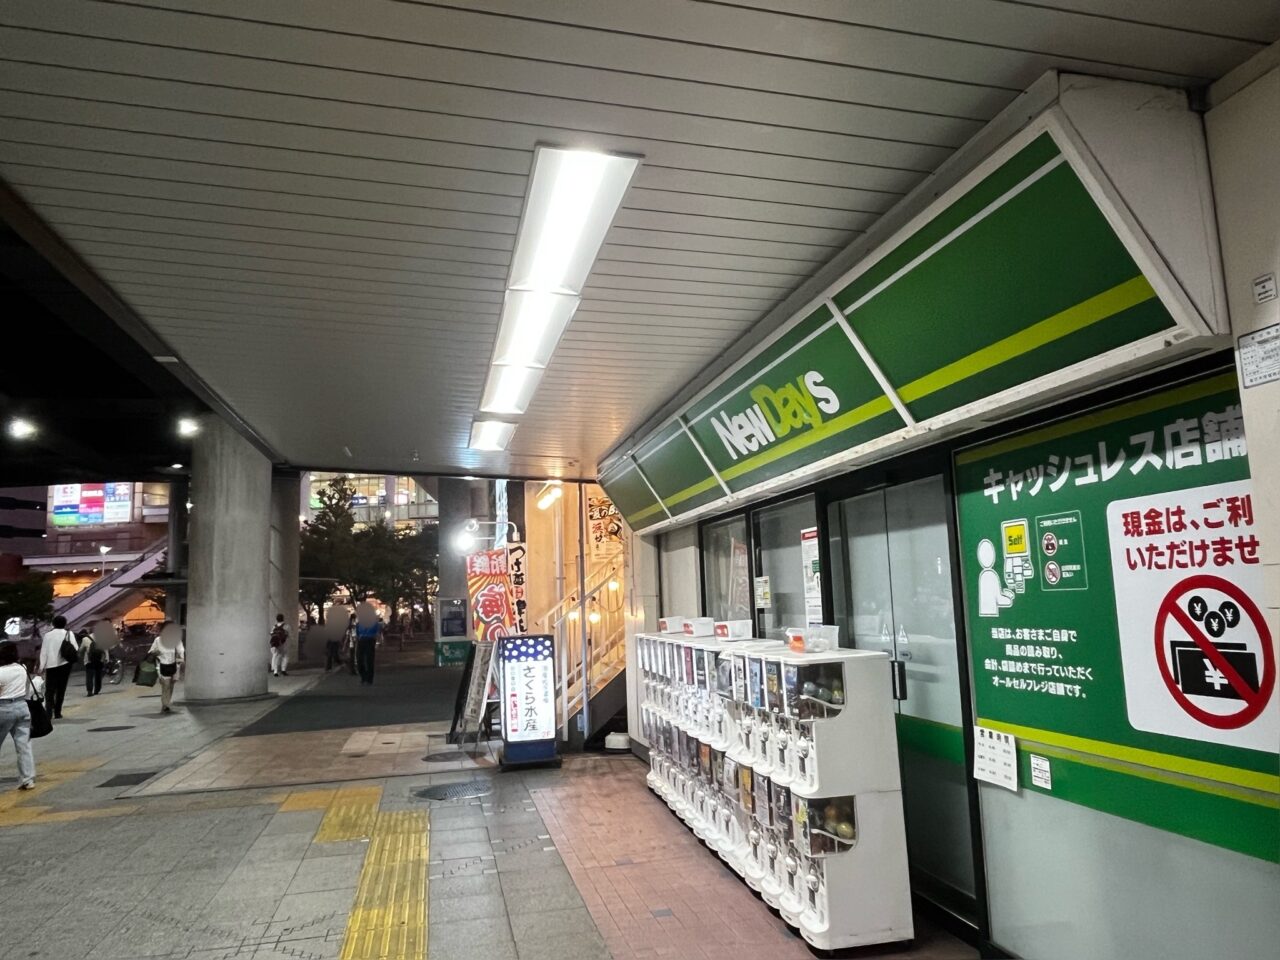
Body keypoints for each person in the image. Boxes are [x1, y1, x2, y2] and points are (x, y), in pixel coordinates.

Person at [0, 641, 37, 790]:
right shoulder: (22, 668)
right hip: (22, 707)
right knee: (24, 746)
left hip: (3, 709)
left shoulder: (1, 672)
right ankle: (28, 780)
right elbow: (27, 689)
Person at [38, 615, 77, 719]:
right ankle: (58, 712)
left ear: (53, 624)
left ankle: (48, 712)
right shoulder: (69, 634)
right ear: (65, 623)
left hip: (50, 665)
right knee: (61, 689)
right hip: (65, 664)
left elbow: (44, 652)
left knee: (49, 690)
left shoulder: (47, 635)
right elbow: (75, 647)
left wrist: (41, 666)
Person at [147, 622, 184, 714]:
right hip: (162, 665)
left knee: (171, 685)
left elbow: (181, 651)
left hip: (174, 665)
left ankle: (167, 702)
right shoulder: (158, 640)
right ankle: (165, 705)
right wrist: (156, 652)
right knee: (166, 685)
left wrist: (180, 658)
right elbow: (151, 652)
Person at [354, 615, 381, 685]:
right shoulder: (359, 623)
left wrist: (377, 642)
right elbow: (357, 633)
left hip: (370, 640)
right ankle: (363, 676)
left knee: (369, 660)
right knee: (359, 659)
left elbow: (377, 633)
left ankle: (369, 679)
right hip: (361, 640)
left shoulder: (374, 623)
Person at [80, 629, 107, 697]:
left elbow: (81, 650)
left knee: (89, 676)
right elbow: (105, 650)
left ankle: (89, 691)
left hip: (89, 660)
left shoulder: (85, 639)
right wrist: (106, 659)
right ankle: (97, 690)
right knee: (98, 675)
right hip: (99, 660)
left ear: (89, 632)